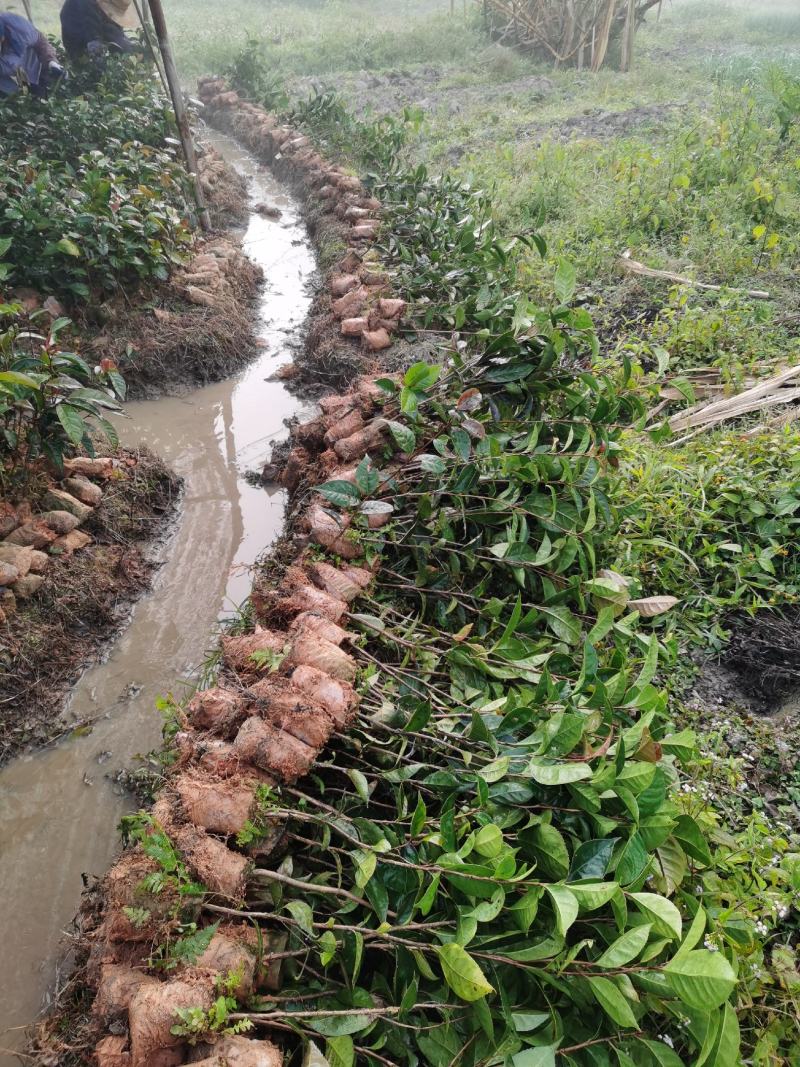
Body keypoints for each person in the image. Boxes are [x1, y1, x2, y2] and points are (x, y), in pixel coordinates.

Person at [0, 12, 64, 97]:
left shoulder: (21, 30)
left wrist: (51, 62)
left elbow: (41, 43)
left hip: (28, 68)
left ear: (2, 37)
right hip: (7, 75)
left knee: (37, 99)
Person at [60, 0, 140, 63]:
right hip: (83, 52)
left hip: (97, 43)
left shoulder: (104, 11)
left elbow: (117, 34)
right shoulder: (84, 7)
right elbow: (95, 47)